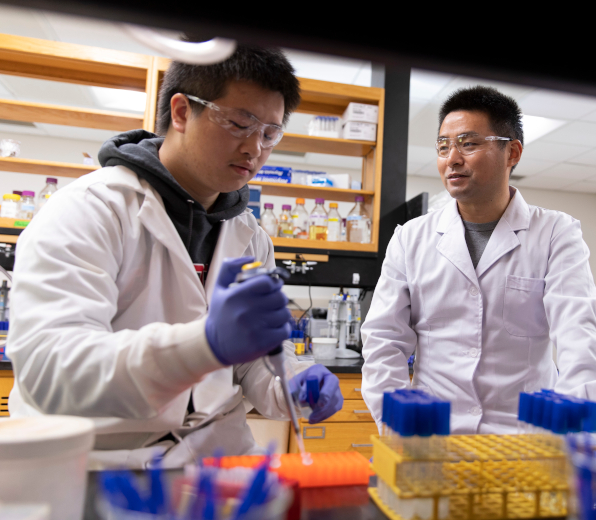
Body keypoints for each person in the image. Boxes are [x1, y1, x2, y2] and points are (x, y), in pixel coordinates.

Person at [7, 45, 344, 468]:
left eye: (270, 134)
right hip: (97, 463)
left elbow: (252, 361)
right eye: (241, 124)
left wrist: (290, 384)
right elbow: (50, 372)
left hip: (215, 460)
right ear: (182, 112)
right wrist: (204, 344)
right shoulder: (89, 208)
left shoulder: (249, 234)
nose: (255, 148)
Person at [361, 86, 596, 437]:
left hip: (524, 443)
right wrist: (397, 425)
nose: (451, 158)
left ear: (511, 152)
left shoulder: (556, 234)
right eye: (443, 146)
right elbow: (383, 342)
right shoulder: (410, 238)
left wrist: (592, 440)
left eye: (468, 143)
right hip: (433, 441)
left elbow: (580, 344)